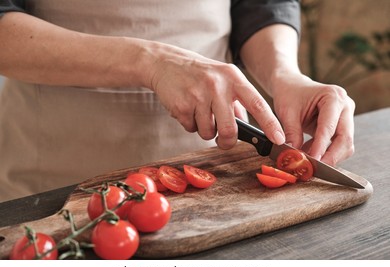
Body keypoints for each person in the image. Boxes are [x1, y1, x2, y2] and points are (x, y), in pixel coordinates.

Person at [0, 0, 356, 202]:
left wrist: (285, 75)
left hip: (213, 167)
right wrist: (150, 61)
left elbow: (261, 5)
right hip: (56, 169)